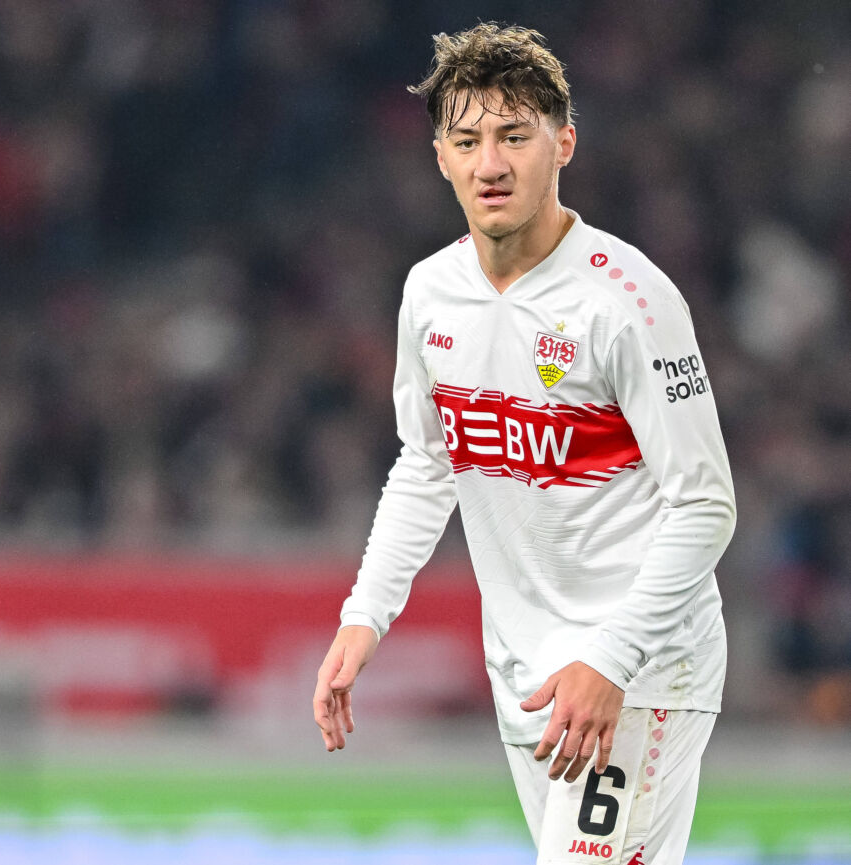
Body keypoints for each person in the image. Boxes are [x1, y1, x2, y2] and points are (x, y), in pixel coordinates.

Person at [311, 23, 735, 865]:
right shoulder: (430, 294)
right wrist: (365, 616)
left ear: (563, 143)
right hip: (526, 675)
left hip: (641, 668)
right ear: (440, 156)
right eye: (467, 140)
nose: (490, 164)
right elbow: (430, 460)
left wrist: (610, 661)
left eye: (515, 135)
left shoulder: (631, 303)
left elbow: (708, 502)